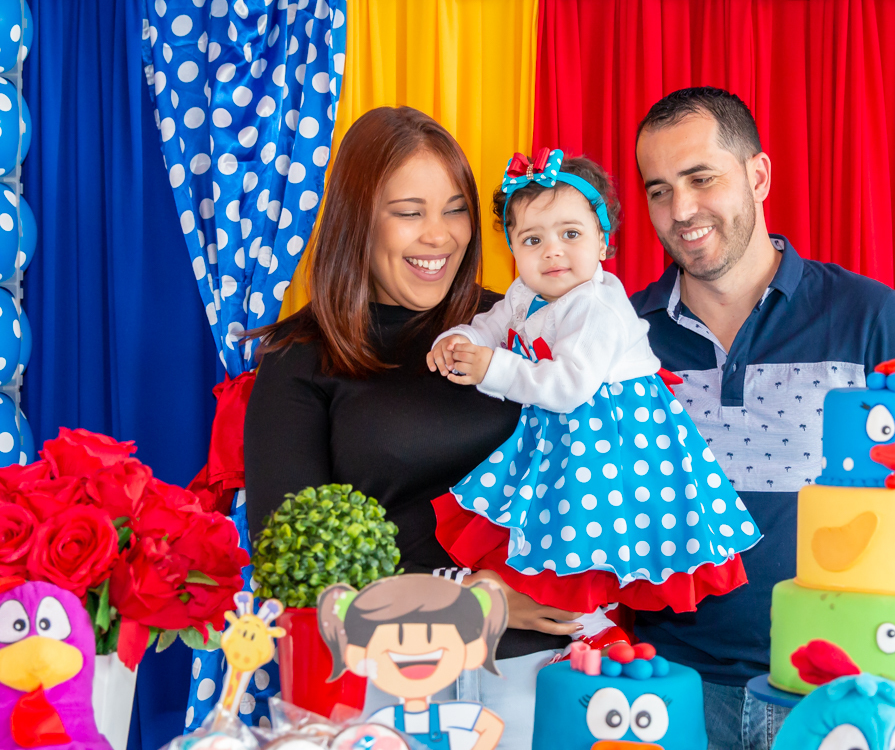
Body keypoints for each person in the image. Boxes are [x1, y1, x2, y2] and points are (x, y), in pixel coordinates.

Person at [243, 106, 580, 750]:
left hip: (540, 676)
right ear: (357, 222)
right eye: (409, 212)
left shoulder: (522, 326)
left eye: (455, 210)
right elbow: (291, 561)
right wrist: (465, 596)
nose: (440, 236)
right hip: (385, 687)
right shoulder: (300, 358)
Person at [629, 87, 895, 750]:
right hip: (669, 691)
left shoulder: (867, 315)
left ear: (758, 175)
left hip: (837, 693)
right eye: (659, 190)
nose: (681, 210)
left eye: (701, 179)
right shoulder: (620, 337)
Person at [425, 149, 762, 648]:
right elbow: (489, 327)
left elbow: (568, 386)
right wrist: (457, 341)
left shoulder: (596, 304)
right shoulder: (525, 293)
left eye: (571, 234)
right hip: (572, 427)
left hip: (618, 437)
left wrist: (493, 368)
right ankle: (580, 623)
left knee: (591, 530)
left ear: (602, 242)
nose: (552, 252)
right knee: (555, 525)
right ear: (513, 249)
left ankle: (593, 625)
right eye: (533, 240)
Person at [317, 575, 509, 750]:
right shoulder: (384, 719)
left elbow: (490, 726)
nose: (415, 650)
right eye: (399, 638)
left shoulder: (448, 715)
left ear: (471, 651)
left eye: (430, 636)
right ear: (359, 655)